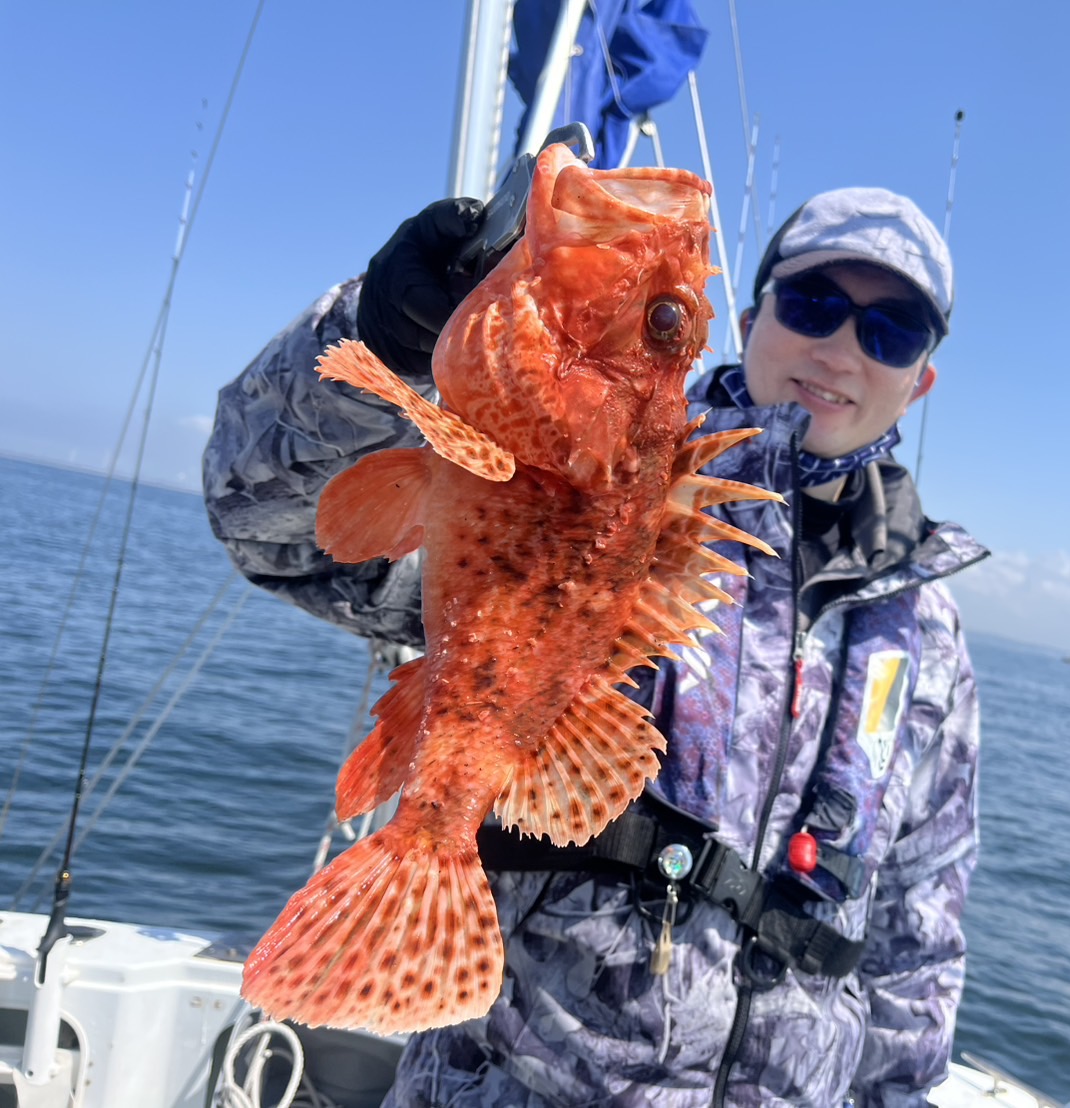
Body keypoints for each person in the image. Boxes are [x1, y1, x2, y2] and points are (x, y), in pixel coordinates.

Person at [203, 178, 988, 1106]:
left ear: (921, 378)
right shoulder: (632, 489)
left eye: (890, 329)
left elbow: (917, 930)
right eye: (812, 303)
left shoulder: (925, 630)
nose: (841, 346)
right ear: (749, 320)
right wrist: (378, 338)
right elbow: (277, 534)